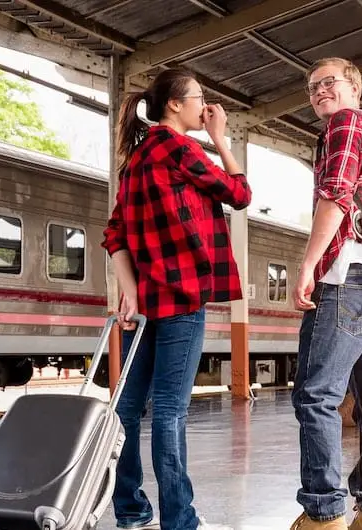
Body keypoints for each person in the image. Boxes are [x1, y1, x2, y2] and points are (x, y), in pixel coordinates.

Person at [102, 67, 251, 530]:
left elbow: (114, 234)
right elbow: (240, 194)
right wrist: (220, 137)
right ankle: (179, 521)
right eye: (198, 98)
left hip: (145, 306)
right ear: (175, 105)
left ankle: (130, 512)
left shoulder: (137, 159)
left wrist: (129, 290)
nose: (203, 106)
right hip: (184, 300)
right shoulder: (182, 149)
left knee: (126, 409)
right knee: (169, 411)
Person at [290, 57, 362, 530]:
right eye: (313, 88)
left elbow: (336, 195)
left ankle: (325, 512)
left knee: (316, 396)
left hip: (347, 274)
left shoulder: (347, 122)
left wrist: (309, 264)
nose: (319, 93)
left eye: (329, 82)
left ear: (355, 86)